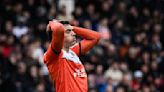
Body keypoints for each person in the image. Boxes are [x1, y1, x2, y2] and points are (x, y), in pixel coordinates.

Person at [43, 19, 100, 92]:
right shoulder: (54, 54)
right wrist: (52, 23)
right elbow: (58, 28)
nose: (74, 33)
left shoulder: (73, 52)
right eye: (68, 32)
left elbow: (96, 37)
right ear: (59, 36)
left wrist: (72, 28)